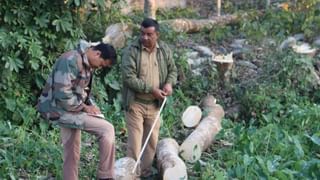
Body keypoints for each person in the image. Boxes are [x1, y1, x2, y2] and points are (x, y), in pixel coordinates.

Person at [37, 40, 117, 180]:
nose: (98, 68)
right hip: (59, 110)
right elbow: (62, 95)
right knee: (107, 129)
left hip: (70, 110)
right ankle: (105, 176)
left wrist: (91, 105)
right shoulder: (70, 60)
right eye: (101, 65)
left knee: (72, 151)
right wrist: (85, 108)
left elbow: (81, 91)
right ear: (97, 54)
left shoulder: (86, 62)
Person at [121, 18, 177, 177]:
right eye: (142, 33)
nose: (144, 37)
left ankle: (144, 173)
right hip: (135, 104)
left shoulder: (164, 50)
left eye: (149, 34)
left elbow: (173, 70)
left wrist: (169, 84)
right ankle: (130, 175)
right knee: (134, 144)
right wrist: (151, 89)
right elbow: (129, 78)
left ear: (157, 34)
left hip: (155, 105)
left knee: (151, 142)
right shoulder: (131, 51)